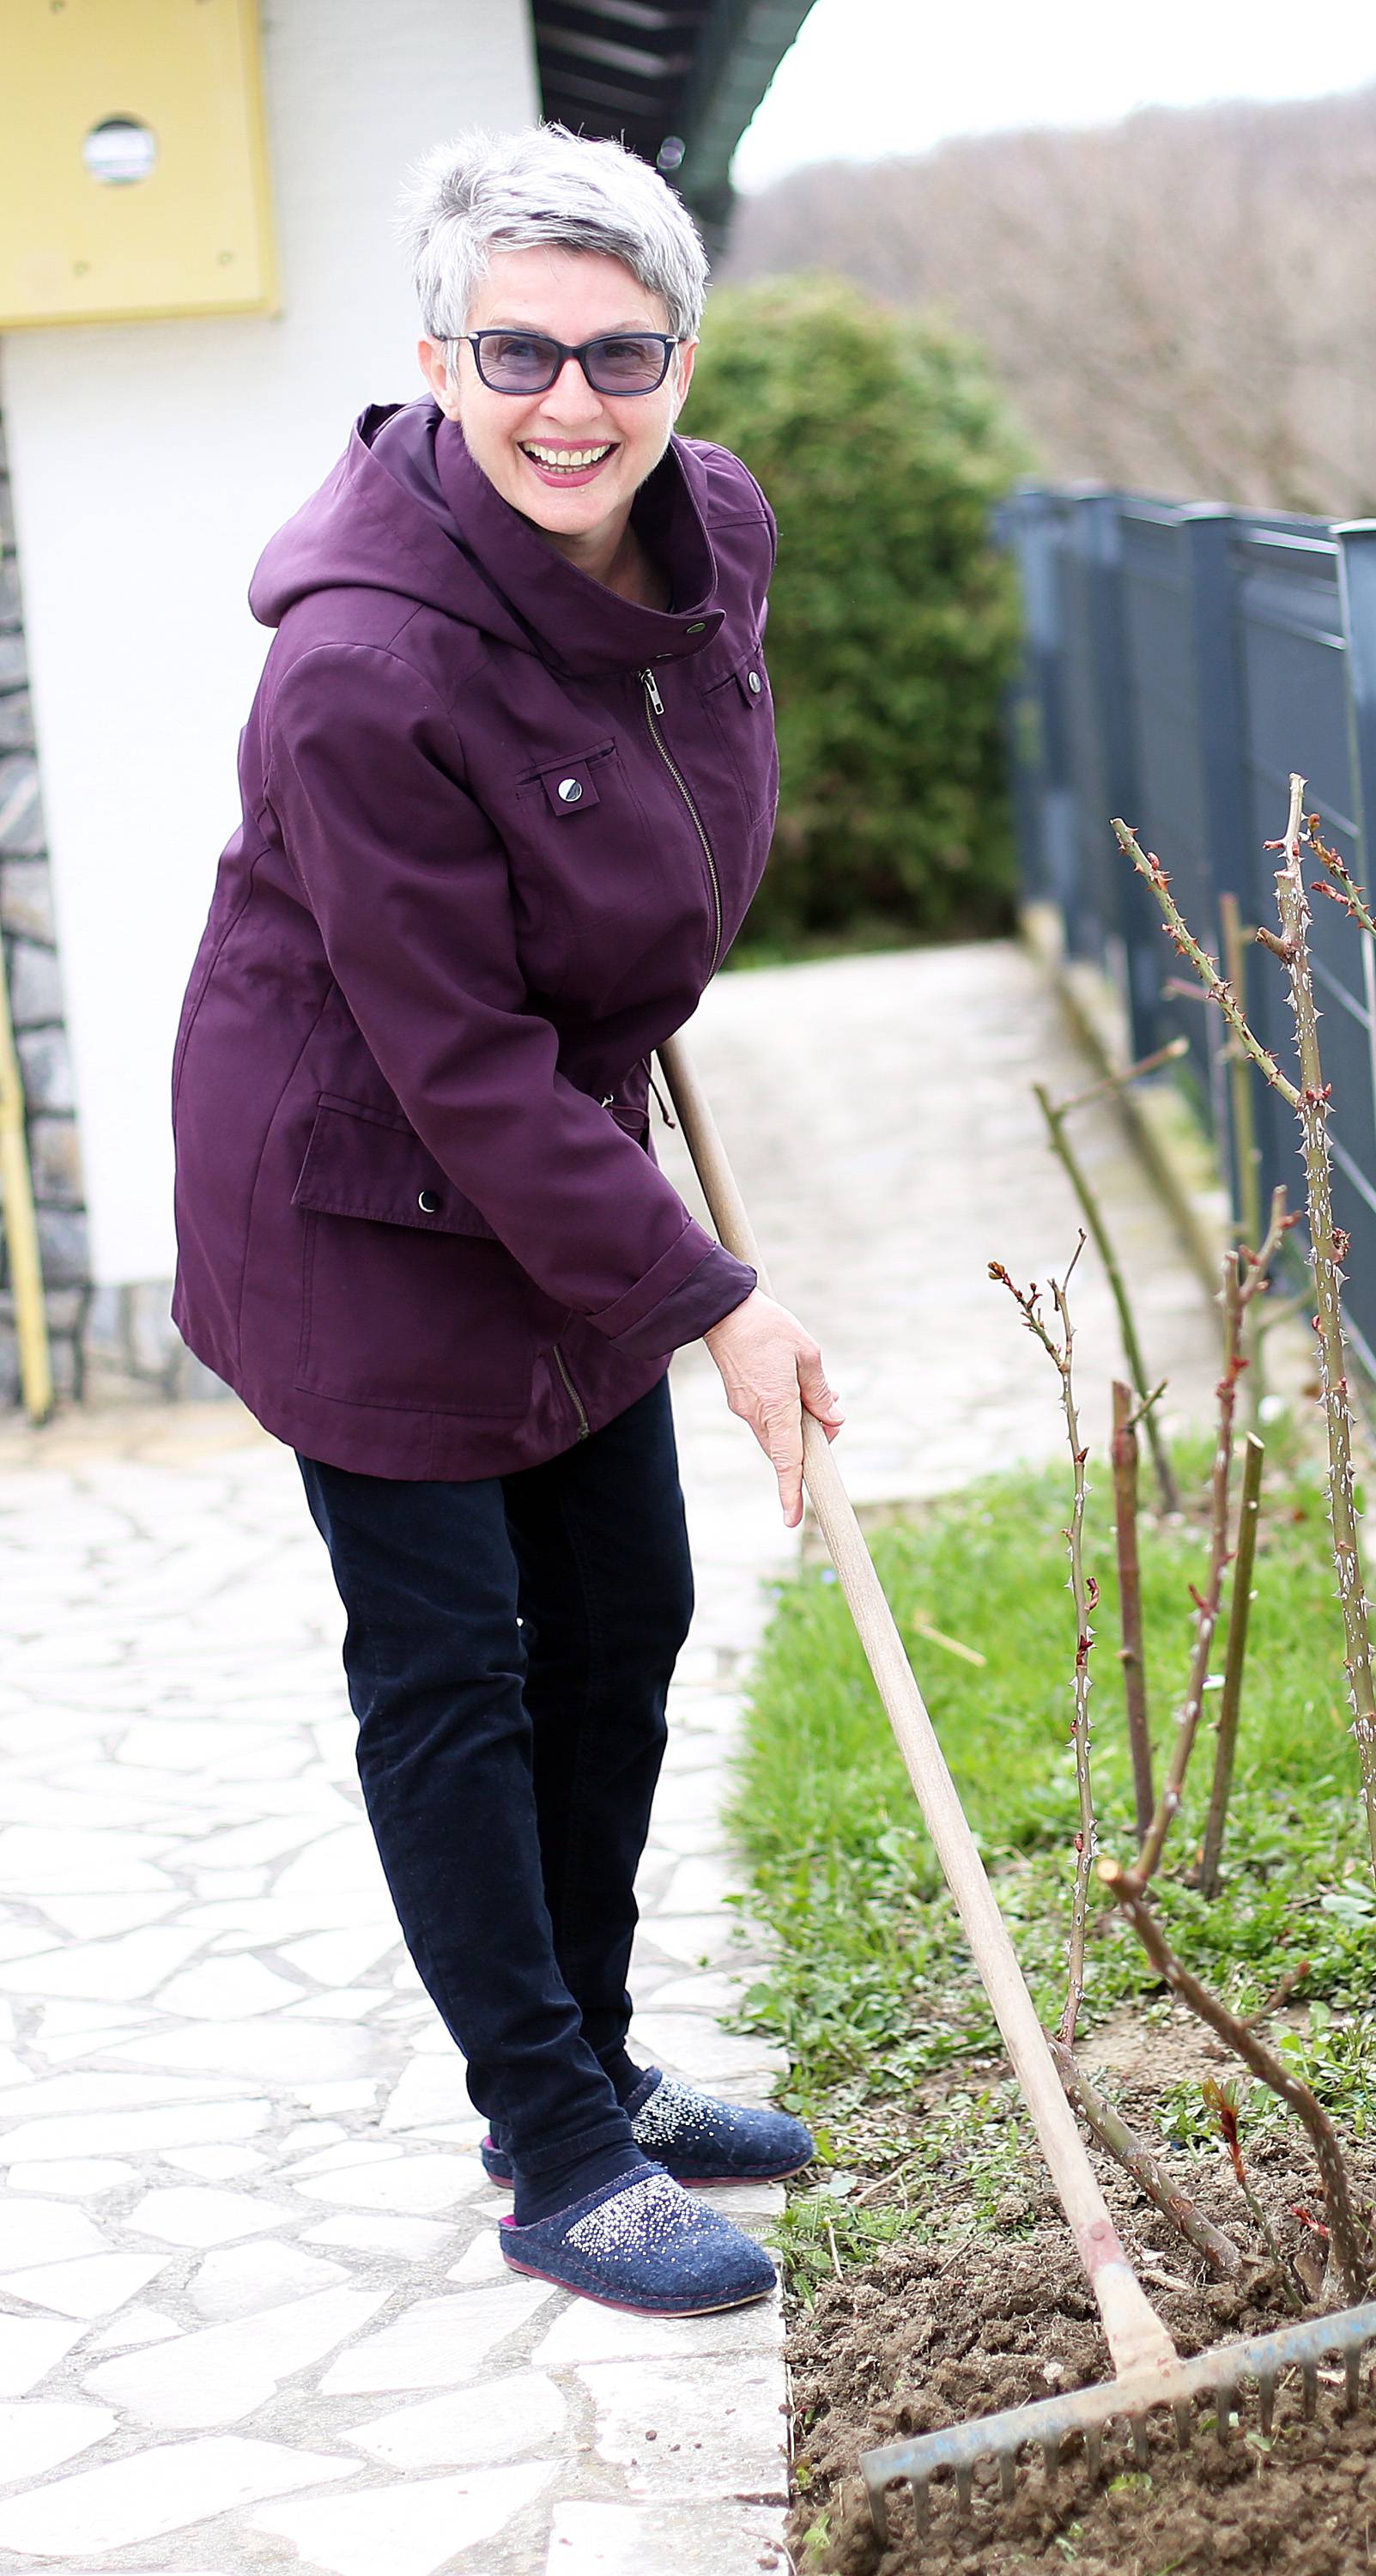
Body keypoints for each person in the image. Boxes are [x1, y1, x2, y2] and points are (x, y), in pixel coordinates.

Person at [170, 124, 843, 2318]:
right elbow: (446, 1059)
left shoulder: (709, 525)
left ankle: (613, 2061)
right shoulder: (357, 673)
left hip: (546, 1145)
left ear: (681, 351)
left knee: (625, 1617)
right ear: (438, 359)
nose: (576, 402)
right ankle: (554, 2149)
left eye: (623, 350)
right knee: (457, 1669)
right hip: (360, 1187)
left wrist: (632, 997)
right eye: (518, 350)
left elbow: (677, 796)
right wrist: (715, 1300)